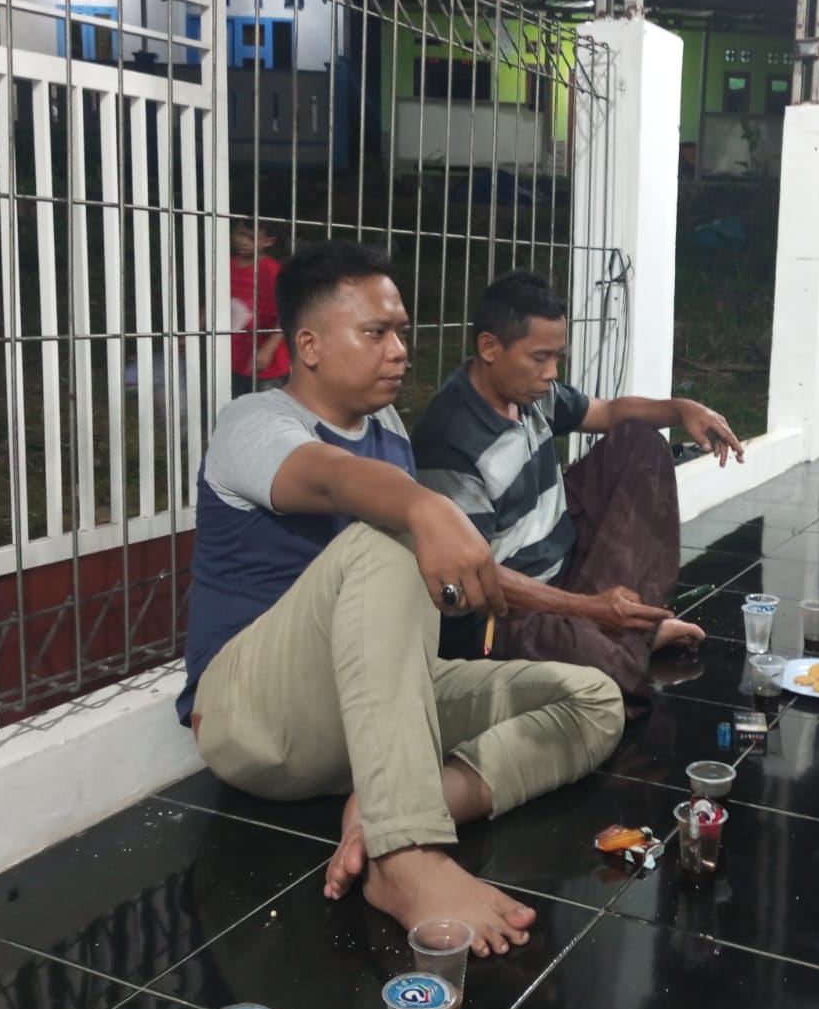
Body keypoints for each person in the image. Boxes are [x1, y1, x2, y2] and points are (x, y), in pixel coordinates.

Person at [182, 242, 625, 955]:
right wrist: (424, 511)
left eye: (401, 332)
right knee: (390, 534)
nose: (400, 351)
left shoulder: (386, 430)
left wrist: (539, 600)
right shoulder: (253, 424)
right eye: (375, 333)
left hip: (363, 715)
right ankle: (405, 856)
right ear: (309, 345)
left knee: (594, 699)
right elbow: (334, 479)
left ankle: (388, 807)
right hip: (255, 715)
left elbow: (435, 581)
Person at [410, 271, 745, 706]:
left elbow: (609, 412)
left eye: (557, 356)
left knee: (641, 444)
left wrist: (682, 409)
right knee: (598, 674)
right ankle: (627, 635)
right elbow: (478, 577)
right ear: (490, 348)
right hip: (504, 614)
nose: (552, 372)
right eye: (540, 357)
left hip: (568, 564)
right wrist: (588, 608)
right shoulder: (449, 442)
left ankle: (627, 625)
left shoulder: (533, 393)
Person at [228, 221, 289, 397]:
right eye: (240, 234)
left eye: (251, 238)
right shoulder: (228, 265)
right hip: (234, 357)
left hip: (266, 363)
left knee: (267, 408)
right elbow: (214, 302)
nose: (243, 241)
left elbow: (287, 312)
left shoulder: (272, 271)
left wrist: (268, 350)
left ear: (268, 242)